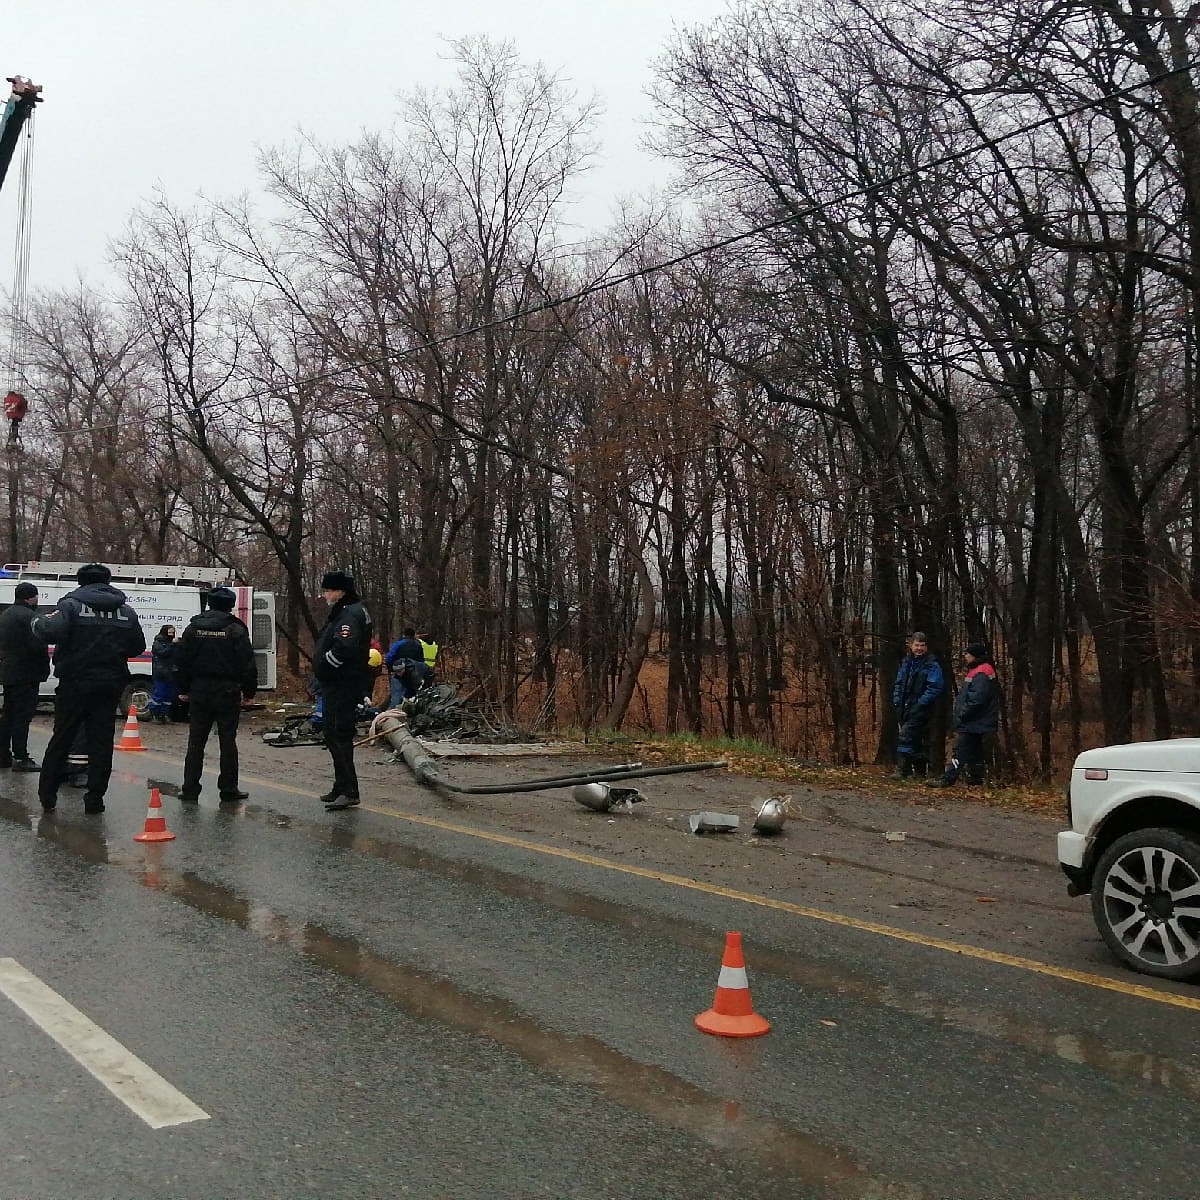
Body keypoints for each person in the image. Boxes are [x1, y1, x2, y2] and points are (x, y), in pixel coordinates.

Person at [33, 563, 146, 814]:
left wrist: (37, 622)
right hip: (110, 683)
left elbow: (49, 631)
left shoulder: (71, 606)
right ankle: (95, 797)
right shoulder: (125, 611)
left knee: (62, 736)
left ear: (80, 581)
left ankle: (48, 795)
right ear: (108, 581)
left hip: (75, 682)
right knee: (102, 741)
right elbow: (138, 645)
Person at [176, 587, 258, 804]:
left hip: (200, 691)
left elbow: (183, 661)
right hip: (227, 691)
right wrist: (249, 693)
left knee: (196, 742)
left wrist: (183, 690)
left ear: (209, 604)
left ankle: (189, 788)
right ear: (230, 606)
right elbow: (247, 664)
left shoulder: (193, 629)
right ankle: (229, 789)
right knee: (227, 741)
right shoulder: (235, 630)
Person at [314, 569, 372, 810]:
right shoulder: (349, 610)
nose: (325, 594)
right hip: (341, 682)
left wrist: (325, 666)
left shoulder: (349, 614)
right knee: (332, 732)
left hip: (342, 682)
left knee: (339, 734)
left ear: (340, 591)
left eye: (328, 590)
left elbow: (344, 648)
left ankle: (350, 789)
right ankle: (340, 785)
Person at [927, 642, 1000, 788]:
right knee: (975, 752)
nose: (965, 656)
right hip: (979, 720)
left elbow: (977, 699)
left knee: (960, 750)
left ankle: (949, 778)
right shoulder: (981, 670)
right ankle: (975, 779)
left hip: (974, 720)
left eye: (967, 654)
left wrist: (962, 714)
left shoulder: (981, 672)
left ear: (974, 656)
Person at [0, 581, 50, 771]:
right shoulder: (30, 617)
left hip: (9, 672)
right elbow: (36, 645)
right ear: (31, 597)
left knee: (8, 715)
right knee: (22, 717)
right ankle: (21, 757)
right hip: (27, 674)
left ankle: (3, 754)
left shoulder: (6, 615)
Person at [890, 631, 944, 780]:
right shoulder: (906, 662)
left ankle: (902, 769)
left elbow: (935, 687)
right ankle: (919, 772)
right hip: (904, 706)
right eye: (916, 645)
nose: (919, 648)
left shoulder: (931, 665)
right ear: (911, 645)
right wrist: (896, 699)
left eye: (922, 645)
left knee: (906, 736)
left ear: (926, 647)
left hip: (922, 708)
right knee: (915, 739)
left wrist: (921, 703)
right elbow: (899, 683)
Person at [384, 626, 426, 708]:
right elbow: (421, 661)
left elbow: (389, 657)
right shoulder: (419, 645)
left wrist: (391, 668)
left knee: (397, 695)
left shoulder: (399, 644)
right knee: (412, 697)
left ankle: (392, 714)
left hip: (399, 672)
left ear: (404, 635)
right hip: (414, 674)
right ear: (414, 635)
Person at [145, 625, 180, 723]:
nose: (172, 634)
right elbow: (162, 653)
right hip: (160, 673)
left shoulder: (173, 643)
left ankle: (165, 714)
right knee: (159, 695)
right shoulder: (158, 642)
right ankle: (155, 714)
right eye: (170, 632)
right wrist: (172, 645)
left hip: (171, 673)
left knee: (169, 696)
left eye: (173, 632)